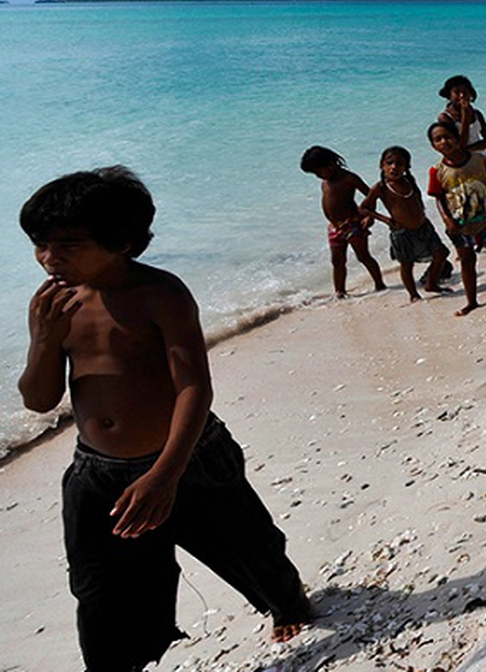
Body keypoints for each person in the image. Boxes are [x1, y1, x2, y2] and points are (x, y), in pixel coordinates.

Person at [18, 167, 313, 671]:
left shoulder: (160, 295)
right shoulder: (55, 306)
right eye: (40, 244)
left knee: (248, 549)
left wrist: (165, 474)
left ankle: (286, 604)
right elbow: (39, 400)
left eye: (68, 244)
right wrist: (45, 341)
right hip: (98, 474)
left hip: (189, 459)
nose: (49, 258)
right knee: (102, 590)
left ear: (121, 242)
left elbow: (193, 385)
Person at [426, 120, 486, 316]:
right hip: (460, 224)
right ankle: (472, 301)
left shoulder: (479, 159)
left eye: (448, 137)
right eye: (438, 139)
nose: (444, 142)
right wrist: (447, 220)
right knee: (467, 261)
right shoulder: (437, 171)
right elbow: (439, 199)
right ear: (433, 146)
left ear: (457, 138)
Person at [359, 146, 453, 301]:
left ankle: (431, 284)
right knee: (407, 264)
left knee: (441, 254)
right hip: (402, 232)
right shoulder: (380, 187)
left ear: (406, 167)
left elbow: (416, 198)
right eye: (389, 163)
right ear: (381, 165)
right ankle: (413, 294)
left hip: (424, 226)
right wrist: (385, 220)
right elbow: (363, 208)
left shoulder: (410, 181)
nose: (394, 167)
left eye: (400, 164)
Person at [299, 145, 386, 298]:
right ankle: (340, 291)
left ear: (331, 164)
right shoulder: (325, 182)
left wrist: (369, 216)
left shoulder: (348, 178)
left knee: (363, 256)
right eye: (315, 174)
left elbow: (370, 196)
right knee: (337, 261)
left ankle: (379, 283)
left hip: (353, 223)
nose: (318, 176)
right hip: (334, 227)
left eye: (319, 171)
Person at [437, 75, 486, 153]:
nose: (462, 95)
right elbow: (460, 145)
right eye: (457, 92)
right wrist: (465, 117)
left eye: (465, 92)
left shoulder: (476, 114)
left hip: (480, 159)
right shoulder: (445, 117)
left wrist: (467, 151)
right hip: (460, 163)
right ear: (449, 96)